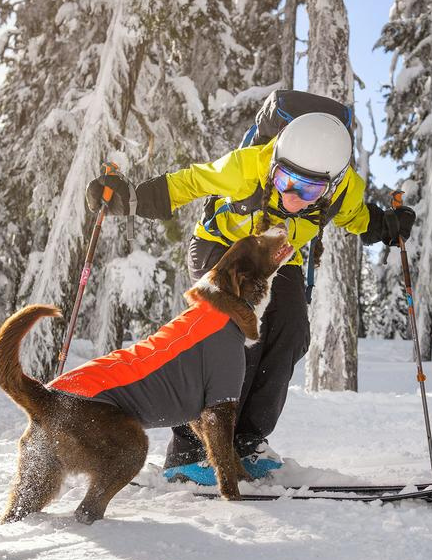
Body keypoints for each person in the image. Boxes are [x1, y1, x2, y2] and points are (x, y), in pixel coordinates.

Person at [86, 111, 415, 485]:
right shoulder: (247, 168)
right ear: (274, 163)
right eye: (284, 180)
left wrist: (388, 227)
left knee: (290, 330)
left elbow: (357, 216)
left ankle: (246, 441)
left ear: (332, 185)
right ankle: (190, 449)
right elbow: (189, 183)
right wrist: (130, 198)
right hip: (219, 247)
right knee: (228, 334)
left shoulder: (344, 191)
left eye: (308, 191)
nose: (291, 196)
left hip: (277, 251)